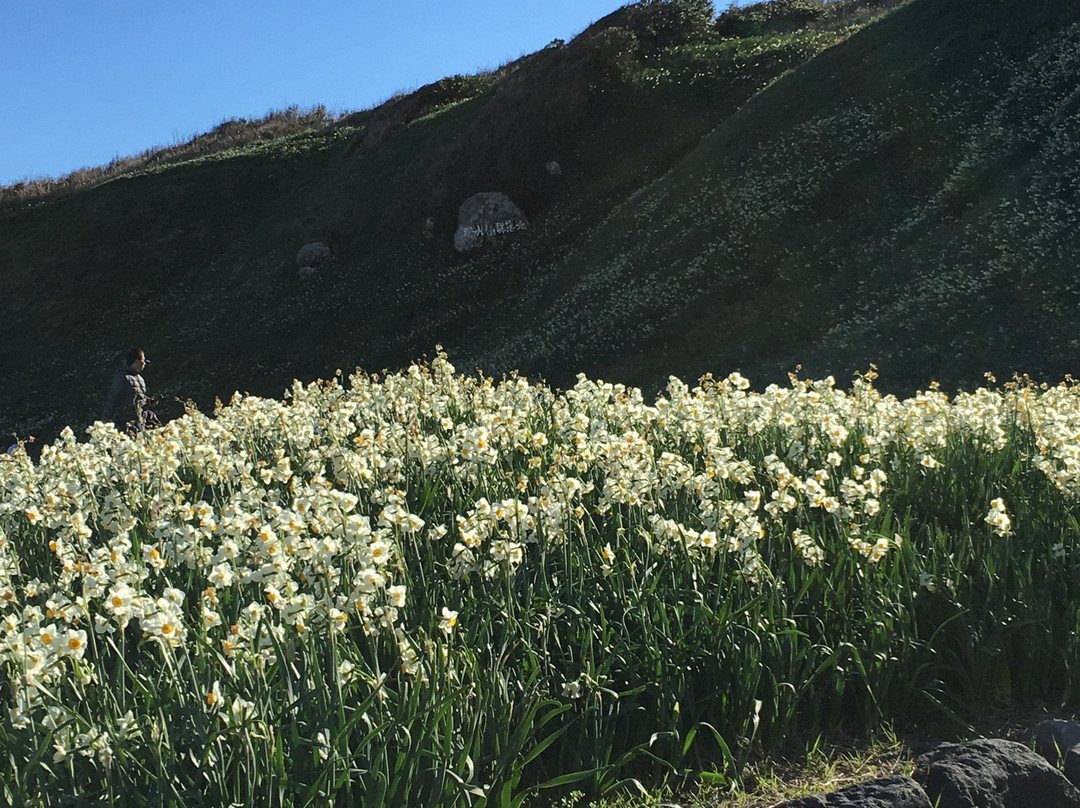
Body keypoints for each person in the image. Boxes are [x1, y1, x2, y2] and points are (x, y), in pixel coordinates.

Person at [102, 348, 158, 433]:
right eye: (143, 360)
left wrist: (149, 402)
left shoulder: (140, 379)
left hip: (141, 421)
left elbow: (140, 399)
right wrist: (105, 420)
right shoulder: (122, 378)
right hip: (126, 423)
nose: (145, 363)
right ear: (136, 361)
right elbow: (113, 399)